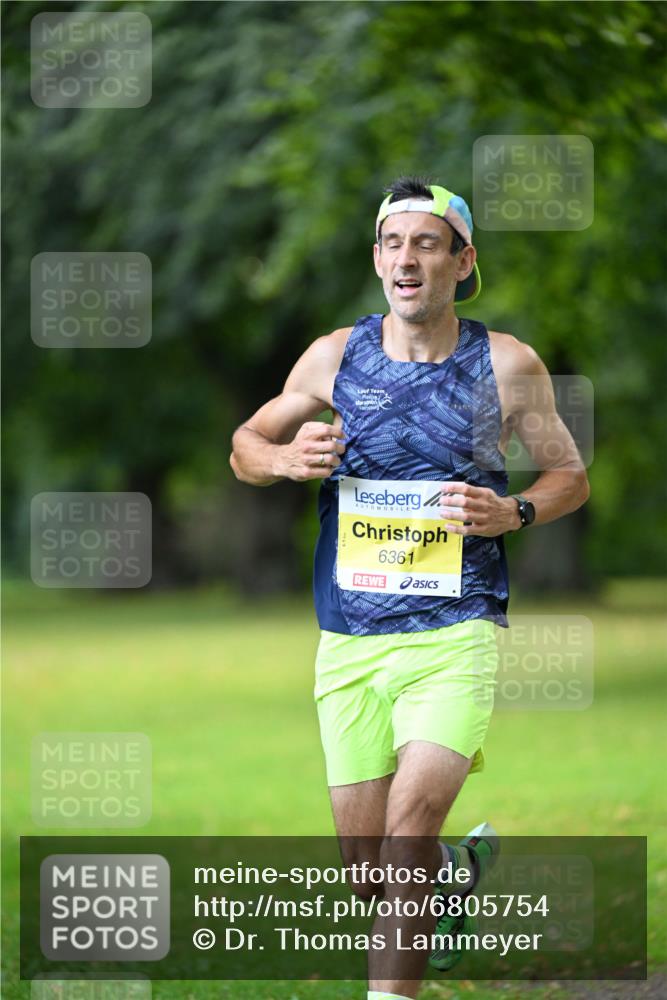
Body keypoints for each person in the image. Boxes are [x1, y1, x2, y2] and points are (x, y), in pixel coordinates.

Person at [230, 175, 590, 1000]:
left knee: (407, 829)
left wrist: (515, 510)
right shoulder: (333, 356)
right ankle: (454, 874)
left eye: (426, 244)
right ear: (376, 260)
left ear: (462, 262)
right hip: (349, 641)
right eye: (393, 244)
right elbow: (245, 443)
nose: (407, 259)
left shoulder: (507, 364)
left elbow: (568, 475)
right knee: (369, 872)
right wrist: (282, 458)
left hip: (454, 632)